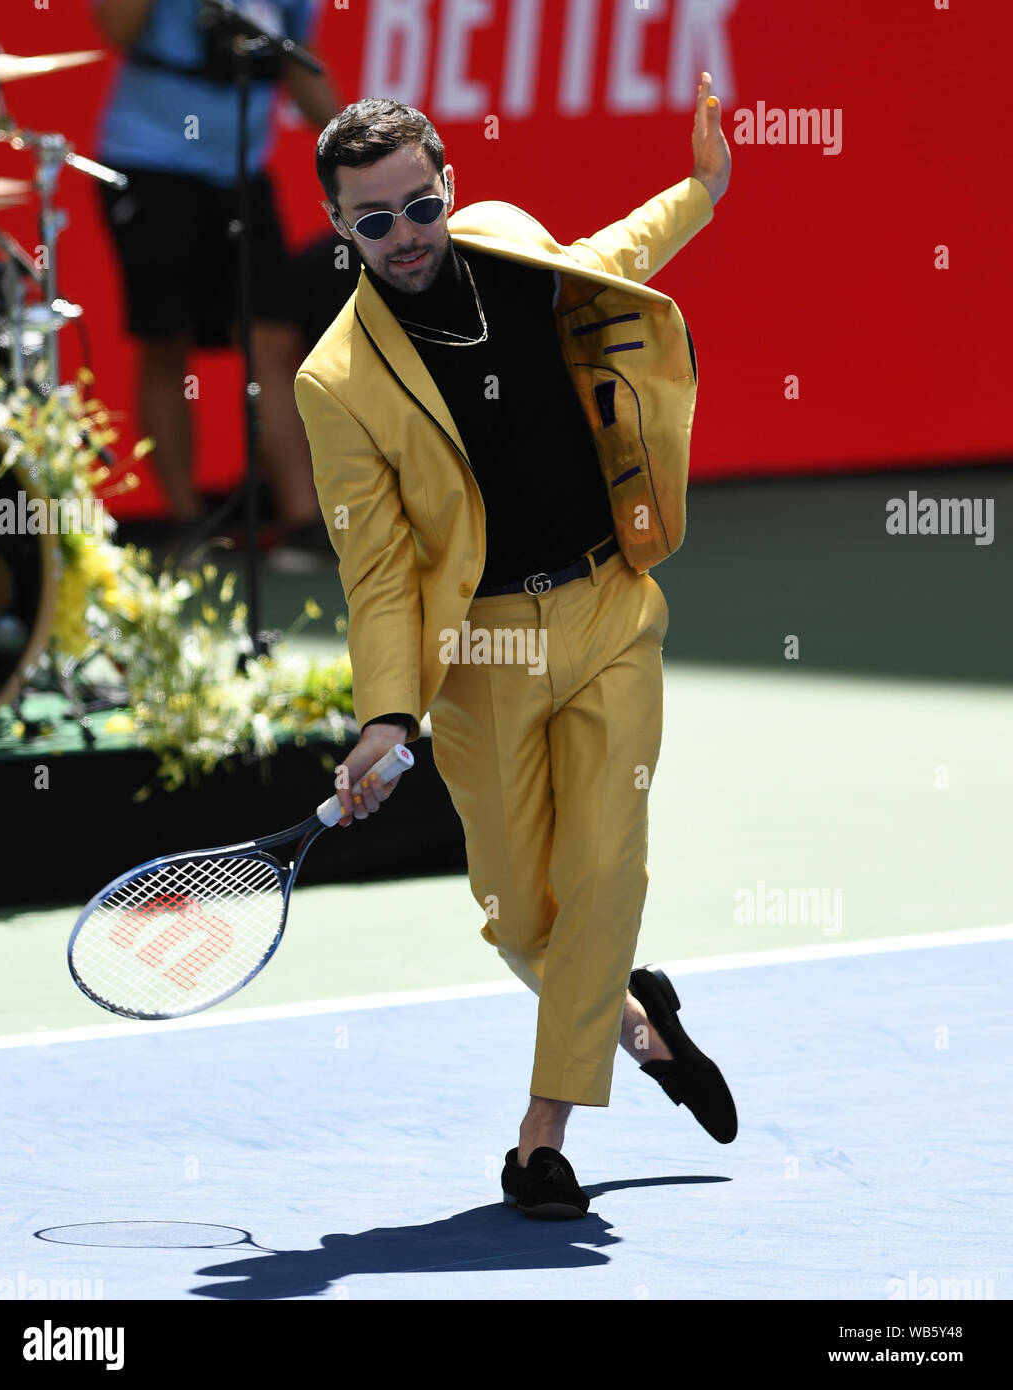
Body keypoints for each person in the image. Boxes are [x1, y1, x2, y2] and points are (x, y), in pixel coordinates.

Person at [294, 76, 738, 1219]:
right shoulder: (335, 383)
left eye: (419, 205)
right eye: (373, 221)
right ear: (341, 228)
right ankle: (636, 1025)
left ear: (448, 187)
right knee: (518, 912)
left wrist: (697, 190)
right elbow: (378, 567)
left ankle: (541, 1140)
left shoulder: (506, 246)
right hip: (477, 653)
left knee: (602, 867)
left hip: (605, 608)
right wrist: (385, 717)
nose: (404, 236)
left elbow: (608, 258)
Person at [92, 0, 341, 567]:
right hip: (147, 161)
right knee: (167, 340)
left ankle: (302, 525)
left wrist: (362, 149)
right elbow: (116, 26)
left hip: (240, 171)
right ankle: (188, 522)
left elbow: (299, 61)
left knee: (273, 338)